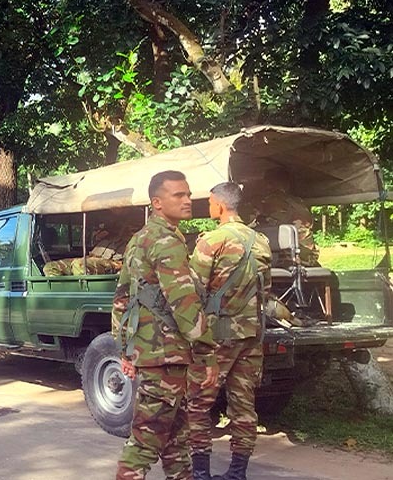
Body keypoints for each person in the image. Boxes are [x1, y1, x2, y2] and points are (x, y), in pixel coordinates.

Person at [112, 170, 218, 480]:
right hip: (166, 355)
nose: (188, 201)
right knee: (146, 442)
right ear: (157, 202)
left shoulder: (139, 239)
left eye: (188, 194)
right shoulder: (167, 241)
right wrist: (207, 352)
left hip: (154, 353)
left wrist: (125, 350)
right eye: (179, 195)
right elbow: (184, 303)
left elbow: (121, 299)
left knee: (175, 437)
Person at [187, 182, 272, 480]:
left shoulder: (211, 241)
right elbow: (266, 289)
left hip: (217, 338)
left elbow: (193, 290)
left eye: (210, 202)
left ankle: (200, 474)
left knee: (198, 403)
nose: (209, 207)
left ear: (220, 206)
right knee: (243, 405)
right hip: (251, 336)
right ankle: (237, 473)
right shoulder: (260, 240)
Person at [242, 167, 319, 266]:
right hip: (304, 258)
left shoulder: (263, 204)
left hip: (279, 260)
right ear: (286, 185)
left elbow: (240, 226)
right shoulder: (298, 203)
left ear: (268, 184)